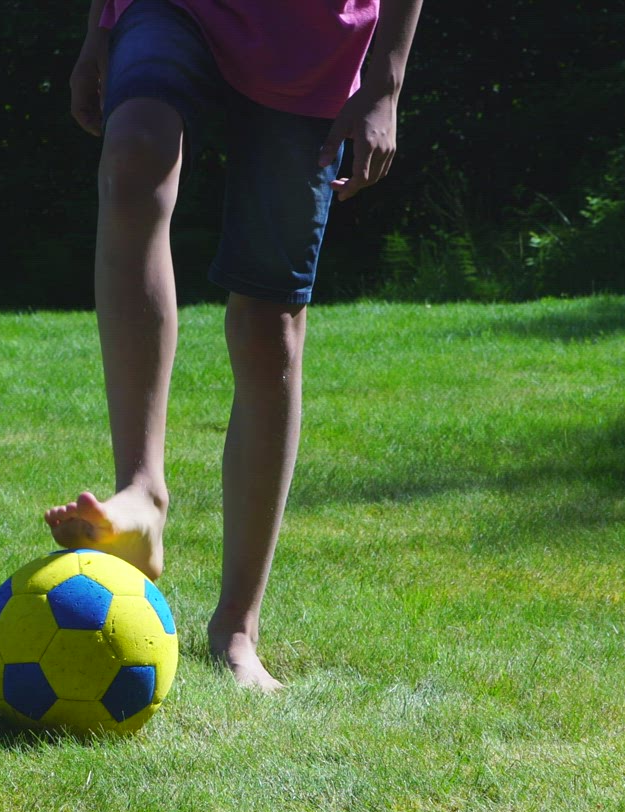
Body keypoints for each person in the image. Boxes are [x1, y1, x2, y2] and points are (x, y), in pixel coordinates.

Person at [46, 0, 424, 690]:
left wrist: (385, 83)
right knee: (133, 150)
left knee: (268, 324)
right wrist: (97, 30)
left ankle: (237, 629)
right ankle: (141, 494)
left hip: (311, 42)